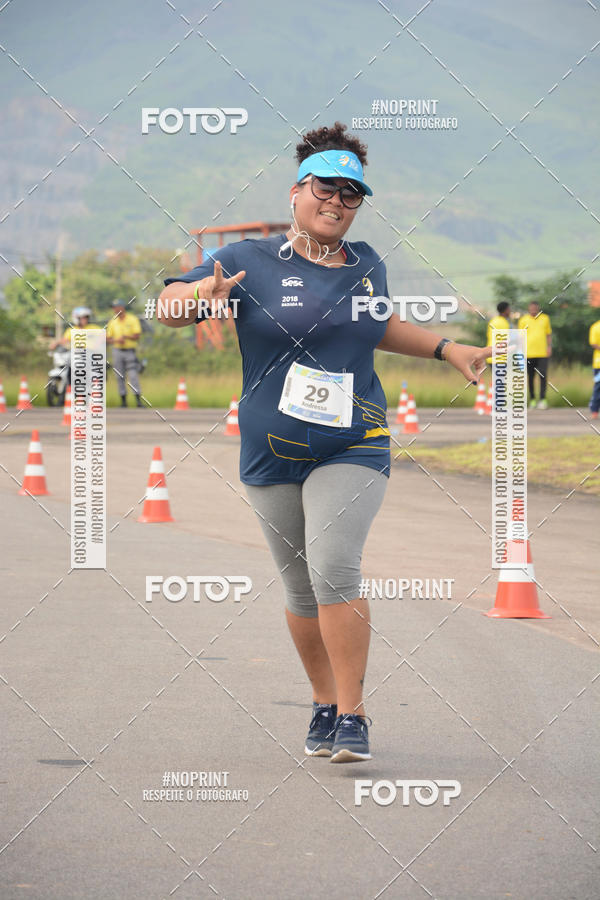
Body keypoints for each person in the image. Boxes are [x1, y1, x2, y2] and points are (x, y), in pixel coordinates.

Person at [158, 122, 491, 763]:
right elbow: (170, 305)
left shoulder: (367, 263)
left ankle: (354, 714)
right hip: (271, 445)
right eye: (325, 189)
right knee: (298, 586)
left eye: (351, 194)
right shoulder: (246, 260)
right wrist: (193, 296)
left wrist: (450, 348)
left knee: (334, 565)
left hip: (354, 439)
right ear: (296, 192)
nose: (337, 202)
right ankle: (323, 700)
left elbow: (379, 327)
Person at [106, 299, 143, 407]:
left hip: (130, 351)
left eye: (116, 307)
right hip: (117, 351)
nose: (114, 310)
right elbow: (107, 338)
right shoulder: (112, 321)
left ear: (122, 308)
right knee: (119, 376)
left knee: (133, 376)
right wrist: (116, 340)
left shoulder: (132, 319)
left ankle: (138, 401)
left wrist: (126, 337)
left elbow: (137, 335)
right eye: (113, 308)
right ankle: (123, 402)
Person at [518, 300, 552, 409]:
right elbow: (520, 337)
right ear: (529, 309)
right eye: (531, 308)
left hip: (542, 353)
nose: (533, 310)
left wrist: (549, 347)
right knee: (530, 377)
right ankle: (532, 399)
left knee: (543, 375)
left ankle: (543, 399)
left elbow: (548, 334)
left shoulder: (545, 318)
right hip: (528, 353)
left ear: (538, 308)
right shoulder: (523, 320)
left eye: (535, 308)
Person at [589, 316, 600, 419]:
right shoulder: (595, 327)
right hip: (598, 364)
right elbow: (593, 343)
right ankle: (594, 410)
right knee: (598, 386)